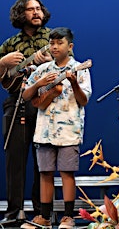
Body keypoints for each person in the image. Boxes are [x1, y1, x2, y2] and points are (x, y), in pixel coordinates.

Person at [20, 27, 92, 228]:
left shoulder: (81, 68)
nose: (54, 47)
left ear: (70, 46)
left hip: (69, 130)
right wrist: (39, 83)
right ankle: (44, 216)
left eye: (59, 43)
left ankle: (68, 216)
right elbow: (27, 96)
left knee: (67, 172)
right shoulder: (43, 69)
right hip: (44, 130)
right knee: (45, 173)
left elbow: (83, 100)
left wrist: (74, 83)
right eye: (51, 43)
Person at [0, 0, 54, 223]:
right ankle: (14, 213)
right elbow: (5, 77)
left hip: (46, 102)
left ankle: (42, 214)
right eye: (30, 9)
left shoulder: (53, 37)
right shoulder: (11, 43)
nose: (36, 12)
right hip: (17, 101)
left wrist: (47, 61)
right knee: (15, 161)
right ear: (21, 14)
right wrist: (3, 62)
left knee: (43, 161)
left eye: (38, 8)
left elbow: (68, 64)